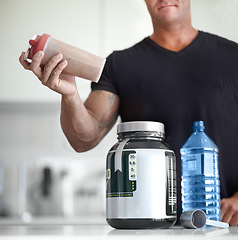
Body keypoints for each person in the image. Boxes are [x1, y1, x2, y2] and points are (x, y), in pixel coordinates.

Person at [19, 0, 238, 226]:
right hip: (145, 227)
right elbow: (83, 139)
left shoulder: (233, 57)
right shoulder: (120, 65)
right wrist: (70, 94)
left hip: (225, 226)